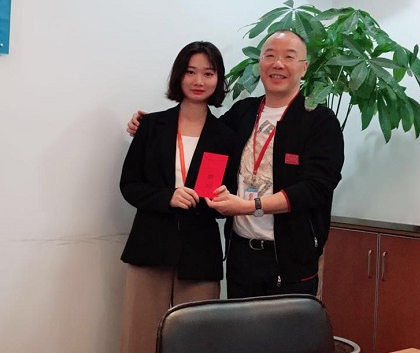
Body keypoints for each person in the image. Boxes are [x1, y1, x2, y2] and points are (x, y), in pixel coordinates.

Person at [128, 30, 344, 301]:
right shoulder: (243, 112)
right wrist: (150, 125)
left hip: (290, 258)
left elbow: (316, 188)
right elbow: (202, 134)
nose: (278, 64)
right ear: (259, 64)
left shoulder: (319, 120)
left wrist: (250, 206)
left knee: (287, 329)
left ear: (304, 67)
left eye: (289, 57)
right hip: (240, 254)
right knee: (238, 328)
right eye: (270, 56)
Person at [118, 40, 235, 353]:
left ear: (218, 80)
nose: (199, 81)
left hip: (200, 255)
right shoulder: (151, 125)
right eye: (191, 72)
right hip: (150, 249)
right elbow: (129, 185)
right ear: (178, 76)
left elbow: (227, 202)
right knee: (140, 345)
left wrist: (220, 202)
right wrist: (166, 197)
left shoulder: (226, 135)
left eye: (208, 73)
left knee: (197, 349)